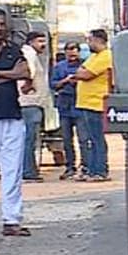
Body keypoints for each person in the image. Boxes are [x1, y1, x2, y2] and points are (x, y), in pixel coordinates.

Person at [0, 8, 33, 236]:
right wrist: (9, 74)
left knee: (13, 170)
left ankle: (12, 219)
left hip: (12, 114)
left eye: (2, 24)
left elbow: (25, 72)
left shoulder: (13, 49)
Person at [65, 28, 113, 182]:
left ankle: (100, 170)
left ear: (98, 40)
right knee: (89, 139)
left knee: (97, 139)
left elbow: (85, 74)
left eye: (90, 40)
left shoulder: (106, 56)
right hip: (86, 103)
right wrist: (80, 72)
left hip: (96, 103)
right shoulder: (94, 57)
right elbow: (80, 71)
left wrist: (80, 73)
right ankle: (91, 170)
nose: (88, 43)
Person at [51, 41, 84, 180]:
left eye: (75, 49)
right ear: (65, 52)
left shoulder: (85, 65)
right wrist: (65, 81)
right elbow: (53, 84)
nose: (72, 53)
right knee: (66, 139)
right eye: (69, 50)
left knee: (84, 137)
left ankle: (85, 166)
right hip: (64, 105)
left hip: (81, 103)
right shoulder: (59, 67)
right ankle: (70, 167)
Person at [19, 31, 49, 183]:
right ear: (31, 42)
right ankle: (28, 171)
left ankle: (28, 170)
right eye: (39, 41)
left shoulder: (30, 53)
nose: (43, 44)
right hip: (30, 102)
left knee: (28, 139)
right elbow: (28, 72)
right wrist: (28, 84)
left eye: (44, 41)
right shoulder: (29, 54)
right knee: (29, 139)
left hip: (31, 102)